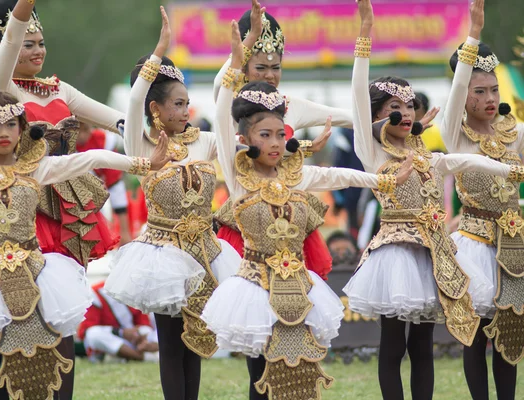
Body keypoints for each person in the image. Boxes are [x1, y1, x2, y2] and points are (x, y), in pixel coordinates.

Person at [0, 21, 170, 400]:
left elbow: (91, 158)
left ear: (24, 131)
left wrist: (142, 163)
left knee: (56, 349)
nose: (4, 133)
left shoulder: (36, 168)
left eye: (12, 125)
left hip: (39, 271)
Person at [201, 20, 413, 400]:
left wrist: (390, 136)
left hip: (293, 258)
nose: (275, 140)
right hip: (251, 257)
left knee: (298, 367)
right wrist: (236, 55)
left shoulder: (294, 143)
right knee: (260, 367)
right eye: (265, 135)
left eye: (281, 134)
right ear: (245, 137)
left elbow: (340, 162)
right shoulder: (237, 158)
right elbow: (220, 104)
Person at [342, 2, 524, 399]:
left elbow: (459, 160)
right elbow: (358, 97)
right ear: (375, 117)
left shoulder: (426, 153)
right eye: (394, 109)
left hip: (431, 253)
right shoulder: (374, 153)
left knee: (422, 348)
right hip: (395, 255)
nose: (405, 115)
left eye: (409, 107)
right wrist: (365, 36)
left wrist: (505, 169)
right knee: (393, 346)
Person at [104, 8, 240, 400]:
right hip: (163, 255)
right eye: (177, 104)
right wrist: (159, 52)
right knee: (170, 339)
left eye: (187, 103)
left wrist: (238, 56)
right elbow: (130, 105)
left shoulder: (203, 141)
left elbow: (234, 126)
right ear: (155, 109)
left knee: (196, 338)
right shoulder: (141, 146)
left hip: (206, 250)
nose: (185, 111)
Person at [212, 0, 354, 281]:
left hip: (288, 226)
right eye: (260, 67)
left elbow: (354, 119)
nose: (269, 75)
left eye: (275, 67)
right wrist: (248, 40)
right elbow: (220, 84)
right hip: (246, 227)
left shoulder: (292, 105)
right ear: (243, 68)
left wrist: (395, 119)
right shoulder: (230, 104)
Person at [0, 0, 127, 266]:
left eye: (41, 43)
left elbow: (118, 121)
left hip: (71, 205)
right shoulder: (1, 90)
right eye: (29, 45)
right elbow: (11, 40)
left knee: (71, 294)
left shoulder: (60, 90)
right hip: (26, 203)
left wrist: (154, 131)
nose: (38, 51)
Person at [442, 7, 524, 397]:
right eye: (480, 91)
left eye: (494, 89)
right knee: (474, 337)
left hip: (513, 243)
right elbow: (457, 90)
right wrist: (473, 34)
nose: (490, 98)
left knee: (510, 335)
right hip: (473, 243)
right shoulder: (454, 134)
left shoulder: (515, 133)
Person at [76, 122, 132, 245]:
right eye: (77, 130)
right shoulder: (64, 144)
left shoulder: (103, 141)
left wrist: (124, 231)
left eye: (85, 129)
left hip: (97, 199)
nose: (81, 135)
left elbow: (114, 183)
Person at [78, 280, 158, 363]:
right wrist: (121, 332)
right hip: (111, 343)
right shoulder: (96, 292)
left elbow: (144, 323)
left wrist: (142, 337)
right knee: (93, 333)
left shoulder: (135, 289)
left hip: (133, 340)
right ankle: (143, 357)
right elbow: (85, 331)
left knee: (155, 321)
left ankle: (145, 351)